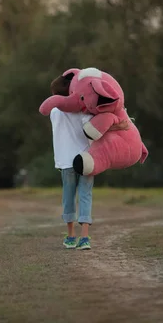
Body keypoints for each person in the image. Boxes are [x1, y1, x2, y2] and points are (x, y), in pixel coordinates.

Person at [48, 75, 130, 250]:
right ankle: (84, 238)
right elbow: (94, 128)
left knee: (68, 197)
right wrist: (119, 127)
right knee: (85, 195)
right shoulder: (82, 111)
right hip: (86, 159)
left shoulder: (54, 112)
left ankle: (70, 237)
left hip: (65, 161)